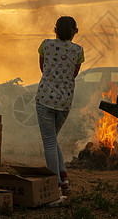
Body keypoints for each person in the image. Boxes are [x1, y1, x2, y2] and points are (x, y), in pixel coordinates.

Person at [35, 16, 85, 194]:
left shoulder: (46, 45)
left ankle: (55, 184)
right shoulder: (78, 50)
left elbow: (43, 68)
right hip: (64, 102)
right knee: (53, 139)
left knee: (48, 141)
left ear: (55, 30)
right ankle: (63, 180)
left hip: (45, 99)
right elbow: (74, 74)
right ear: (75, 32)